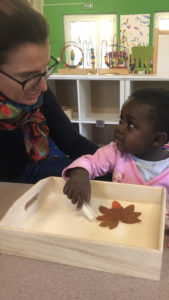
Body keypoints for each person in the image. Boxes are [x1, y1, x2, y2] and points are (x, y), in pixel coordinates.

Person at [62, 88, 169, 209]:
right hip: (121, 222)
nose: (119, 128)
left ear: (157, 139)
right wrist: (80, 173)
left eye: (131, 125)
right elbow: (91, 162)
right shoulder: (116, 153)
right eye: (121, 120)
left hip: (158, 231)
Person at [0, 0, 99, 183]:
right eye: (28, 75)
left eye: (45, 68)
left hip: (36, 169)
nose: (44, 86)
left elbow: (72, 143)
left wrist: (117, 161)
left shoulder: (37, 91)